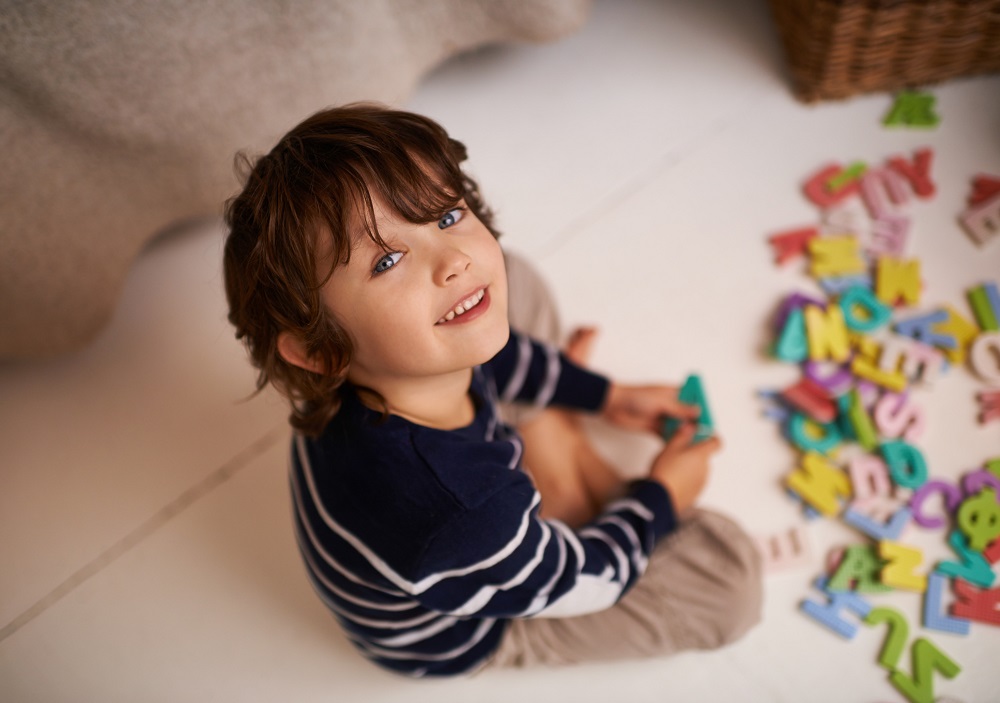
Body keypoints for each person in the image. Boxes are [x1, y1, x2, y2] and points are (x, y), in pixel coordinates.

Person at [222, 103, 762, 678]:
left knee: (510, 282)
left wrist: (607, 397)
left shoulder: (393, 362)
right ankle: (568, 477)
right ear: (321, 352)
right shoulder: (461, 511)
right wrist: (663, 495)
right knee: (730, 584)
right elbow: (592, 579)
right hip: (475, 621)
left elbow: (500, 358)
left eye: (448, 216)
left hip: (474, 519)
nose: (452, 259)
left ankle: (552, 461)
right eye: (387, 260)